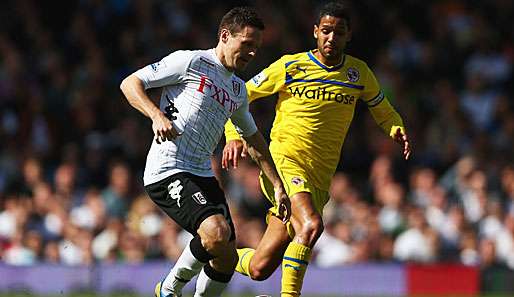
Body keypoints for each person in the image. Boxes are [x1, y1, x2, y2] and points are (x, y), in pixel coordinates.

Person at [222, 2, 411, 297]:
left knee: (260, 267)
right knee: (311, 225)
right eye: (326, 31)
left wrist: (394, 126)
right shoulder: (290, 65)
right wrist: (233, 134)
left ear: (349, 36)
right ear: (315, 32)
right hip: (284, 162)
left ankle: (214, 255)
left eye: (339, 32)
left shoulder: (358, 74)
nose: (331, 38)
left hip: (319, 177)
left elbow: (382, 109)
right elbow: (239, 95)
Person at [120, 7, 290, 297]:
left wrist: (277, 185)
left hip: (202, 174)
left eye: (256, 48)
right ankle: (168, 290)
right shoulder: (190, 61)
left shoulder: (237, 89)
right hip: (168, 169)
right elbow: (130, 83)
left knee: (227, 257)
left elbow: (253, 139)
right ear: (225, 36)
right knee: (216, 233)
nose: (251, 53)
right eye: (246, 44)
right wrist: (156, 116)